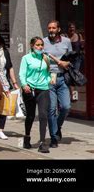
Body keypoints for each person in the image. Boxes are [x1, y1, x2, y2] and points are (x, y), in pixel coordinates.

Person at [19, 37, 53, 153]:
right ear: (32, 46)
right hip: (30, 90)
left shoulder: (46, 58)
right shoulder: (26, 58)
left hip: (43, 89)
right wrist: (24, 85)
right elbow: (22, 74)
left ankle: (43, 143)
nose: (40, 47)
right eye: (37, 45)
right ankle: (27, 137)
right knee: (30, 116)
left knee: (43, 115)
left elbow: (48, 72)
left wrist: (48, 79)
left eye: (41, 45)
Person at [43, 20, 72, 148]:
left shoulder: (66, 42)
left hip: (62, 79)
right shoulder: (43, 42)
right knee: (51, 109)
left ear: (58, 29)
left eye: (53, 28)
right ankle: (54, 137)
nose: (51, 30)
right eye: (49, 28)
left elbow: (71, 59)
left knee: (66, 106)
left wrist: (67, 63)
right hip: (49, 79)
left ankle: (57, 126)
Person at [0, 31, 19, 140]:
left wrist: (14, 83)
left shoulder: (4, 52)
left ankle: (0, 130)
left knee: (4, 108)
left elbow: (9, 67)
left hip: (3, 83)